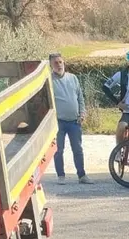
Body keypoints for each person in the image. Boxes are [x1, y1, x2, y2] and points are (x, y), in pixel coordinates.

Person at [48, 53, 90, 184]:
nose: (59, 65)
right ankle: (61, 176)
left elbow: (80, 97)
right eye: (55, 63)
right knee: (58, 150)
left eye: (60, 62)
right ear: (51, 65)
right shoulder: (49, 81)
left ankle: (82, 176)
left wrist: (82, 112)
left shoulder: (73, 78)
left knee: (78, 149)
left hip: (74, 121)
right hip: (58, 121)